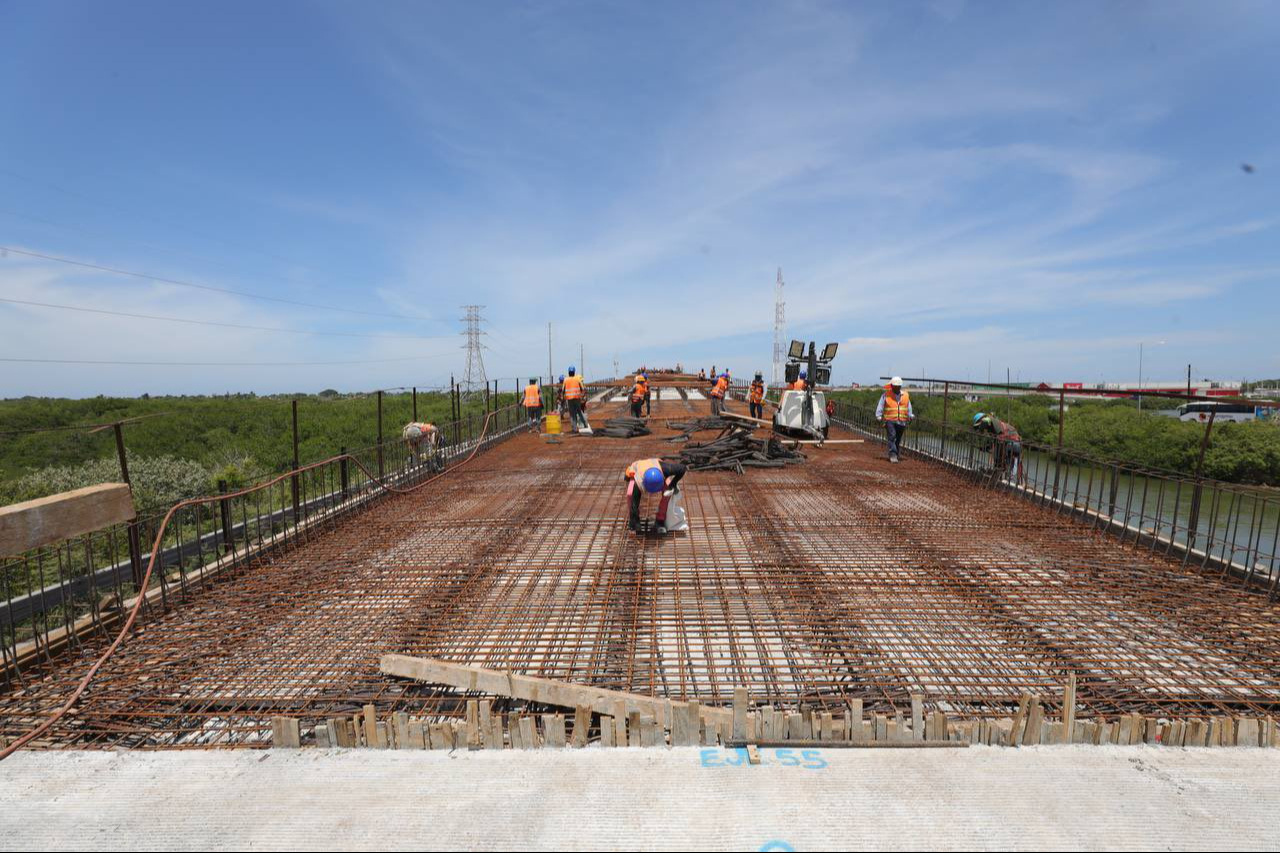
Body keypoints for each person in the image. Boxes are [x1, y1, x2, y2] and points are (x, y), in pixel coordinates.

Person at [624, 456, 687, 534]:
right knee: (630, 494)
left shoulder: (666, 469)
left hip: (658, 467)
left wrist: (673, 484)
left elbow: (683, 468)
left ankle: (660, 520)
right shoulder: (638, 481)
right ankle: (634, 522)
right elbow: (627, 480)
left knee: (667, 493)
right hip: (638, 473)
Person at [972, 412, 1023, 482]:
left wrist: (981, 431)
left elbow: (985, 421)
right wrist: (984, 448)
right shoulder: (994, 429)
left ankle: (1007, 478)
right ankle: (1006, 477)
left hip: (1013, 444)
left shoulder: (990, 419)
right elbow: (993, 443)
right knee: (1005, 463)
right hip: (1012, 444)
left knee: (1003, 462)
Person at [875, 376, 913, 463]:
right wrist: (879, 416)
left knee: (898, 438)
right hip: (890, 420)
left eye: (898, 386)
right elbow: (881, 405)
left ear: (900, 386)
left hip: (902, 421)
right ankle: (893, 454)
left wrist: (910, 415)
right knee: (892, 436)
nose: (896, 387)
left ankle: (896, 453)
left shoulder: (905, 395)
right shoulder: (886, 395)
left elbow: (908, 406)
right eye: (895, 386)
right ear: (892, 386)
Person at [562, 366, 587, 432]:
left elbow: (563, 390)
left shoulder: (565, 380)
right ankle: (585, 424)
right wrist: (581, 396)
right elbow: (582, 389)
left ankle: (574, 428)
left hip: (569, 399)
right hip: (577, 398)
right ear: (574, 372)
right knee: (579, 411)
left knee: (572, 414)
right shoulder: (577, 379)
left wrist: (564, 396)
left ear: (568, 372)